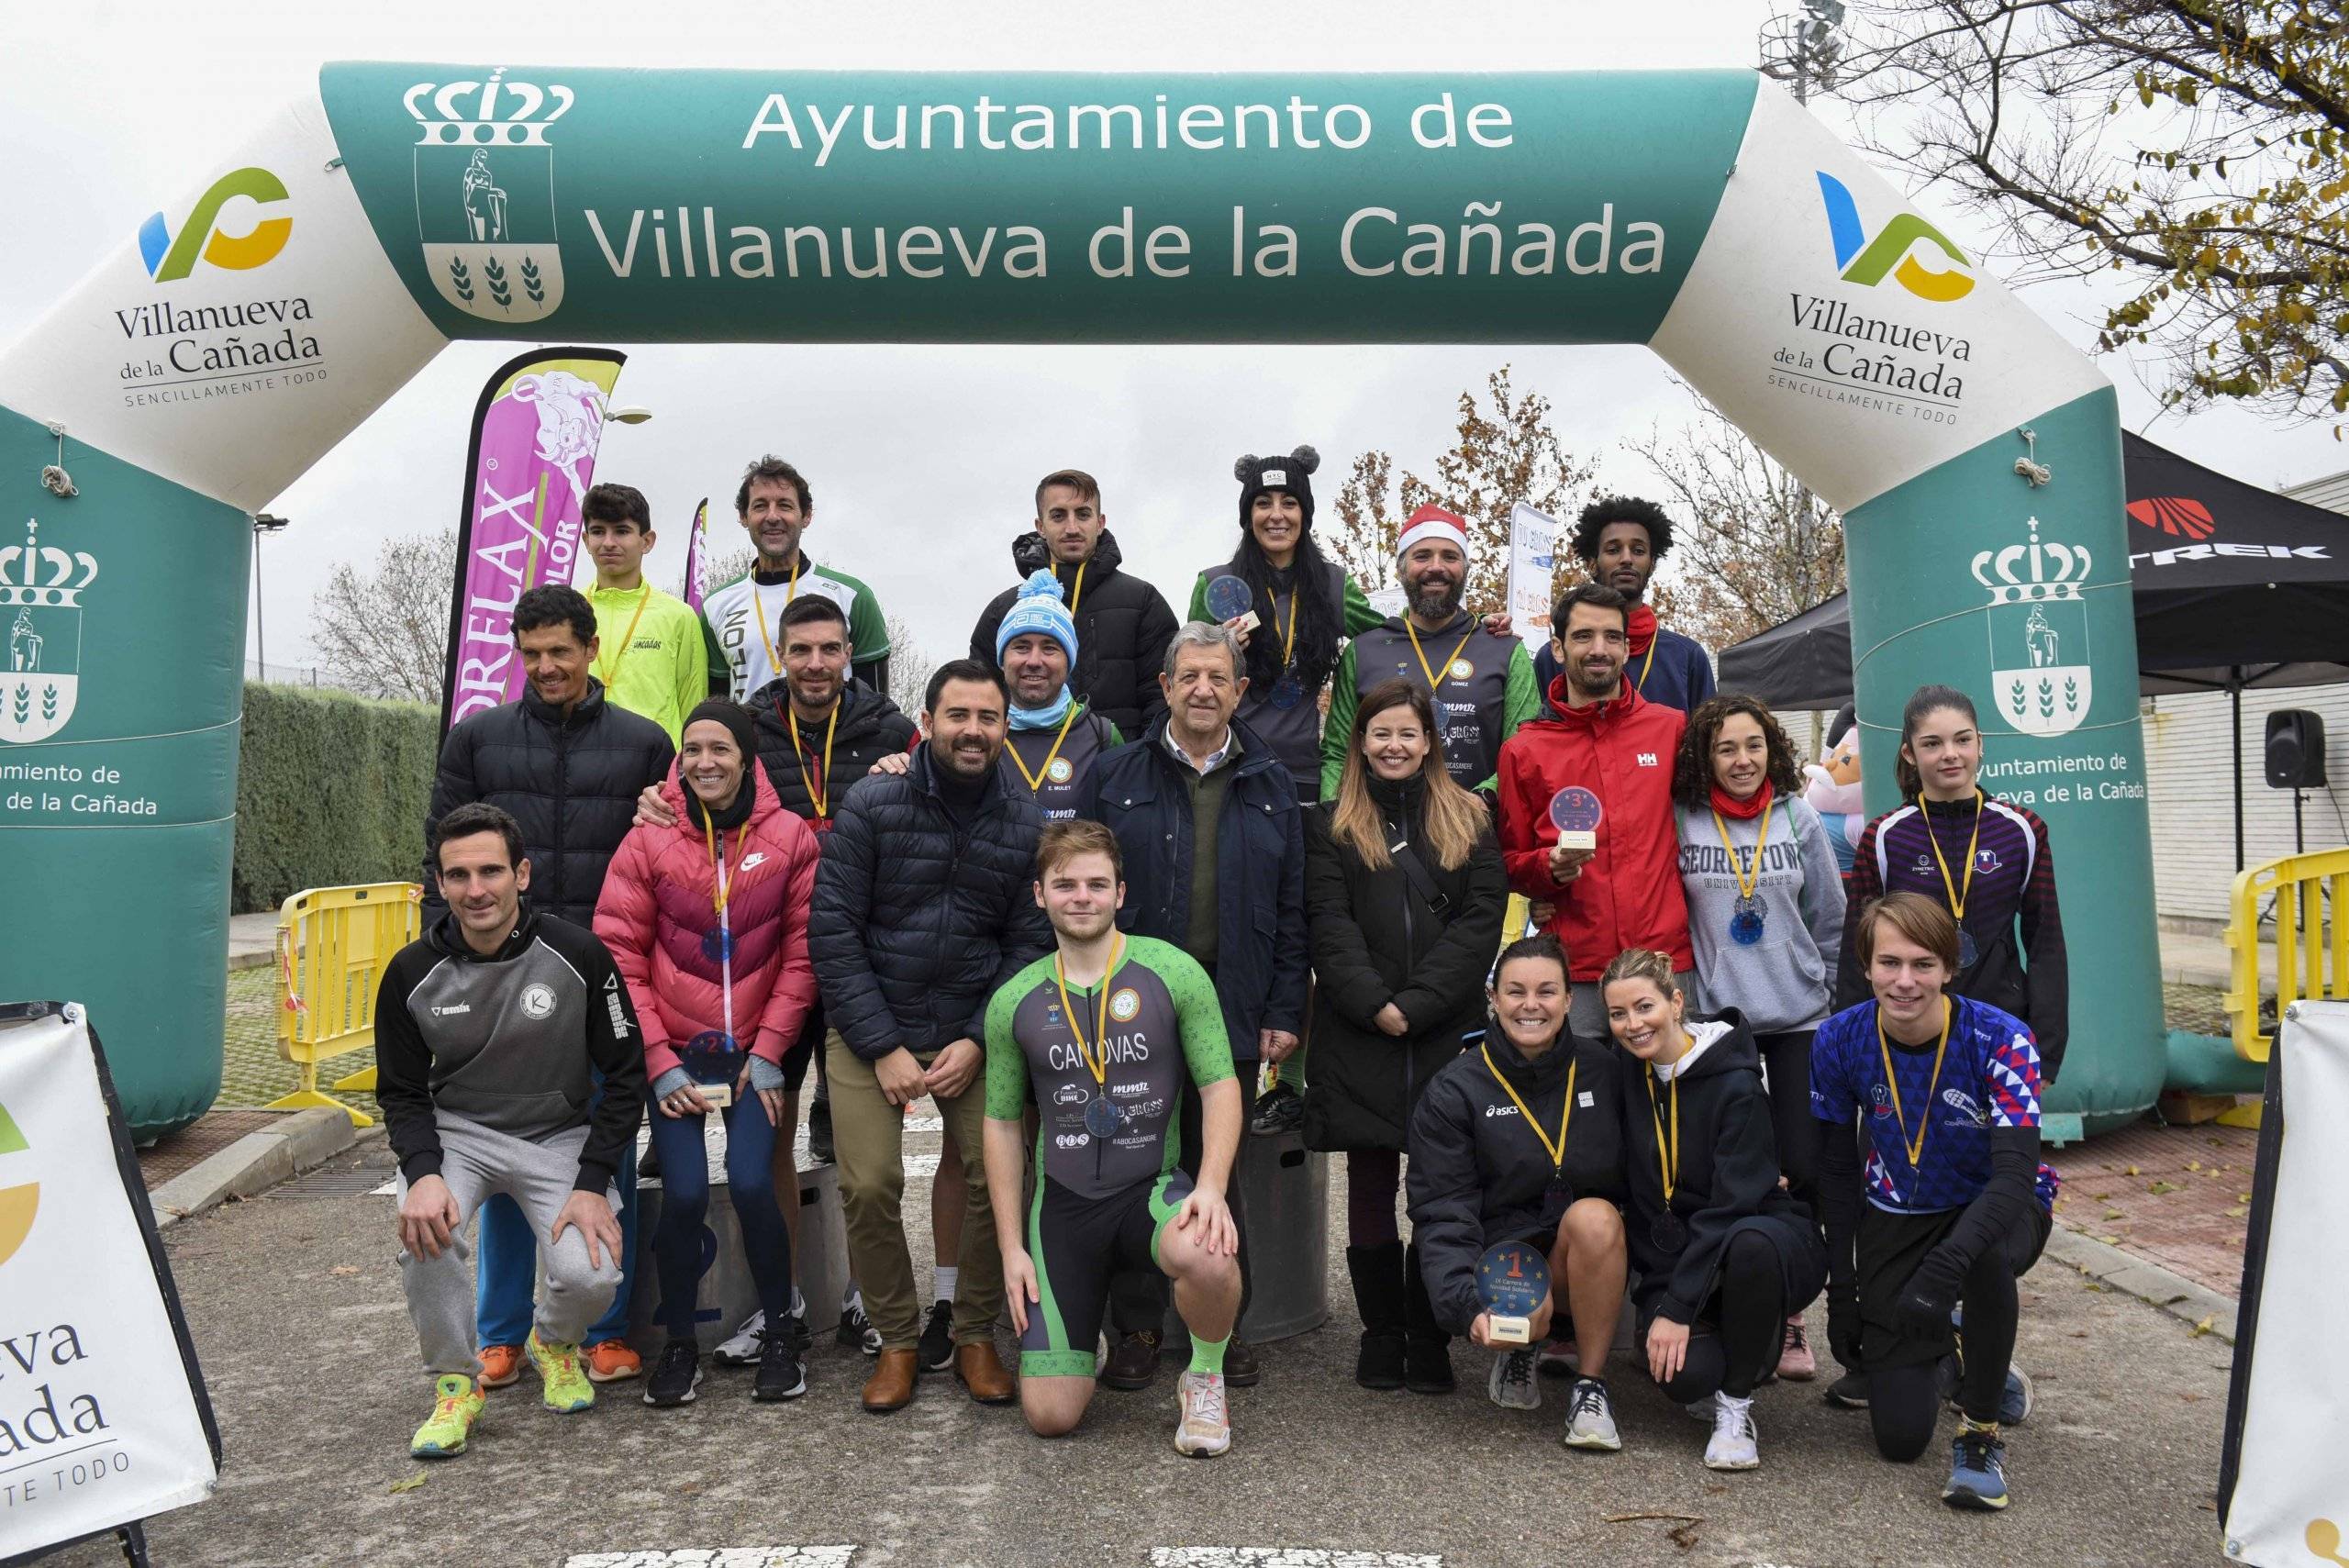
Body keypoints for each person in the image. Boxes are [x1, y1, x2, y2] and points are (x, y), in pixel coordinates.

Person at [639, 591, 919, 1364]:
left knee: (868, 1148)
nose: (817, 663)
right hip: (774, 963)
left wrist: (912, 765)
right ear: (781, 656)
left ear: (849, 654)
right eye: (802, 650)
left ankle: (869, 1298)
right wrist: (655, 803)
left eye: (831, 649)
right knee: (772, 1137)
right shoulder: (750, 727)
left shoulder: (892, 729)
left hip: (866, 957)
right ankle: (783, 1300)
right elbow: (685, 790)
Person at [424, 584, 672, 1391]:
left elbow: (672, 856)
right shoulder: (479, 738)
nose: (547, 667)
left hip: (604, 972)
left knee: (606, 1145)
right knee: (499, 1147)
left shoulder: (644, 743)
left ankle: (599, 1330)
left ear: (591, 648)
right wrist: (440, 964)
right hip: (496, 977)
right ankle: (500, 1334)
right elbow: (443, 858)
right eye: (531, 654)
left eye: (561, 651)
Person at [808, 659, 1052, 1413]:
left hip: (975, 1030)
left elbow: (1028, 943)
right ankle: (898, 1339)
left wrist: (980, 1038)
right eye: (959, 716)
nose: (973, 731)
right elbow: (833, 931)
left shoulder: (1026, 822)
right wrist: (880, 1043)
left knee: (992, 1170)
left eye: (987, 718)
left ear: (1005, 728)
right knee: (870, 1180)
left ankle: (974, 1329)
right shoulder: (873, 804)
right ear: (929, 721)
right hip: (869, 1023)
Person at [377, 803, 644, 1458]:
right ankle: (455, 1384)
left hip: (557, 1133)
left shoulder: (579, 953)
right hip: (459, 1134)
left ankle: (553, 1342)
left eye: (492, 870)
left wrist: (592, 1180)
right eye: (459, 874)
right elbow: (402, 1092)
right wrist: (423, 1173)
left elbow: (627, 1072)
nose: (477, 889)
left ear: (522, 874)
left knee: (593, 1273)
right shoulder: (411, 974)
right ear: (440, 884)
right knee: (426, 1232)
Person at [983, 821, 1244, 1454]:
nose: (1082, 896)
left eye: (1097, 883)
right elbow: (999, 1122)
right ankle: (1075, 1340)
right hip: (1064, 1205)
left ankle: (1204, 1376)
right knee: (1050, 1416)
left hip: (1148, 1188)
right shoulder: (1013, 1000)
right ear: (1039, 895)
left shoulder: (1174, 971)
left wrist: (1210, 1188)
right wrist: (1012, 1248)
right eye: (1065, 884)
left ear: (1120, 891)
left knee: (1209, 1255)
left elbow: (1220, 1086)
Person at [1094, 622, 1308, 1391]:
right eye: (1189, 676)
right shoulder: (1116, 774)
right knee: (1132, 1165)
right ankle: (1141, 1326)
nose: (1203, 689)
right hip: (1131, 1005)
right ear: (1165, 685)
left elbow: (1292, 910)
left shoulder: (1273, 782)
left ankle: (1222, 1323)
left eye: (1219, 677)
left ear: (1239, 689)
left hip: (1234, 1000)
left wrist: (1285, 1006)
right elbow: (1086, 889)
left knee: (1221, 1164)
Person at [594, 700, 821, 1407]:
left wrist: (773, 1051)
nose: (703, 762)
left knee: (754, 1181)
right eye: (691, 749)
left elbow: (803, 952)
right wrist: (658, 1059)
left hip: (755, 1053)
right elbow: (619, 955)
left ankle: (782, 1329)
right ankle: (682, 1346)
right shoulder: (647, 841)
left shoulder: (788, 838)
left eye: (719, 748)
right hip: (677, 1055)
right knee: (685, 1192)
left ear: (748, 757)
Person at [1811, 893, 2058, 1511]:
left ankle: (1980, 1433)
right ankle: (1959, 1349)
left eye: (1923, 963)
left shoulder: (2003, 1037)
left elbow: (2012, 1177)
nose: (1904, 980)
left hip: (1996, 1207)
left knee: (1982, 1256)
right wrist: (1845, 1292)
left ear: (1950, 967)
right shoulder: (1839, 1038)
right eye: (1888, 962)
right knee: (1898, 1438)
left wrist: (1943, 1269)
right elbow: (1838, 1172)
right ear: (1866, 966)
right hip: (1899, 1210)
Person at [1304, 678, 1508, 1393]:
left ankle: (1430, 1331)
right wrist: (1374, 1003)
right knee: (1367, 1183)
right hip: (1360, 1028)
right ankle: (1381, 1331)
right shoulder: (1331, 824)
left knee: (1440, 1186)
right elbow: (1328, 927)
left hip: (1445, 1028)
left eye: (1407, 733)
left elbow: (1484, 921)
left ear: (1430, 743)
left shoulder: (1472, 820)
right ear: (1361, 741)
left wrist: (1419, 1004)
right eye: (1380, 732)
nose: (1394, 745)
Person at [1672, 694, 1845, 1381]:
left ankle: (1793, 1318)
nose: (1742, 760)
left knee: (1801, 1165)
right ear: (1704, 757)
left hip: (1800, 1016)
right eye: (1725, 748)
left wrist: (1827, 997)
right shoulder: (1684, 819)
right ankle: (1723, 1303)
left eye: (1752, 746)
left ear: (1771, 748)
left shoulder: (1799, 815)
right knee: (1726, 1170)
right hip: (1719, 1025)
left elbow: (1830, 920)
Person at [1604, 949, 1828, 1472]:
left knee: (1748, 1243)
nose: (1633, 1025)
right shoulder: (1627, 1073)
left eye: (1644, 1007)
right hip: (1681, 1249)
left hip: (1762, 1238)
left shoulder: (1736, 1084)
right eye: (1618, 1014)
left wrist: (1678, 1308)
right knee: (1683, 1377)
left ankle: (1737, 1405)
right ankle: (1739, 1345)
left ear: (1676, 1001)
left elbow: (1731, 1208)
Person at [1406, 935, 1627, 1446]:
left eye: (1547, 992)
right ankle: (1520, 1349)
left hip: (1585, 1252)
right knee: (1522, 1307)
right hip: (1506, 1259)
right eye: (1516, 992)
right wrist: (1466, 1304)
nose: (1532, 1006)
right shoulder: (1455, 1089)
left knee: (1595, 1216)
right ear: (1493, 998)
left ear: (1570, 1000)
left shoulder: (1605, 1070)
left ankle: (1591, 1387)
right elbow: (1443, 1210)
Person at [1835, 685, 2068, 1086]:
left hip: (2002, 1030)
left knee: (2004, 1150)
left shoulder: (2023, 831)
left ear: (1980, 744)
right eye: (1932, 743)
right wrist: (1852, 1043)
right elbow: (1858, 948)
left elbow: (2045, 942)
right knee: (1906, 1147)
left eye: (1962, 740)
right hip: (1906, 1033)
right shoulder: (1885, 837)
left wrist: (2044, 1053)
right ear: (1910, 753)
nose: (1950, 753)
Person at [1497, 584, 1695, 1036]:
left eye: (1611, 637)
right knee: (1586, 1101)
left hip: (1665, 962)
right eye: (1583, 636)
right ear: (1558, 647)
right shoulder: (1523, 750)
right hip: (1577, 971)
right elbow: (1510, 863)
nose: (1598, 649)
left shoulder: (1672, 730)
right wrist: (1547, 868)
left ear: (1628, 648)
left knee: (1675, 1100)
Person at [1188, 447, 1385, 800]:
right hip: (1228, 769)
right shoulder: (1216, 585)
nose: (1276, 515)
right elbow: (1182, 671)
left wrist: (1471, 626)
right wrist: (1218, 650)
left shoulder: (1333, 586)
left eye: (1289, 503)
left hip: (1306, 774)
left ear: (1304, 515)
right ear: (1248, 515)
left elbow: (1392, 640)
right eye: (1263, 503)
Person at [1322, 504, 1541, 801]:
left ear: (1465, 569)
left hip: (1478, 832)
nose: (1436, 566)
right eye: (1422, 556)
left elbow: (1526, 746)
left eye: (1449, 556)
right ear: (1401, 568)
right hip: (1377, 836)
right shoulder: (1363, 651)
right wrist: (1334, 824)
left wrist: (1486, 797)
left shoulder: (1504, 649)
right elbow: (1337, 754)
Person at [969, 469, 1178, 737]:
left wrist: (1138, 763)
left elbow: (1163, 697)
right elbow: (978, 698)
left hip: (1120, 771)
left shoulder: (1143, 601)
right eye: (1058, 516)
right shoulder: (1005, 609)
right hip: (1021, 771)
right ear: (1040, 526)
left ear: (1100, 522)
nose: (1072, 528)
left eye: (1083, 514)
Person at [700, 454, 892, 703]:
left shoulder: (853, 596)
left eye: (784, 505)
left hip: (834, 740)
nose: (772, 516)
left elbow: (876, 707)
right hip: (751, 741)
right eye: (760, 506)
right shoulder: (716, 606)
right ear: (743, 517)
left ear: (807, 516)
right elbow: (717, 708)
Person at [1533, 495, 1715, 716]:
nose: (1627, 558)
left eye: (1638, 551)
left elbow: (1708, 742)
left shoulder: (1687, 656)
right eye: (1613, 550)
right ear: (1592, 563)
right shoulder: (1555, 655)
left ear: (1652, 565)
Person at [580, 482, 709, 743]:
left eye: (622, 531)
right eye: (598, 531)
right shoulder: (569, 612)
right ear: (586, 540)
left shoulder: (678, 616)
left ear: (647, 541)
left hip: (656, 769)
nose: (608, 543)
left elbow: (694, 704)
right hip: (581, 762)